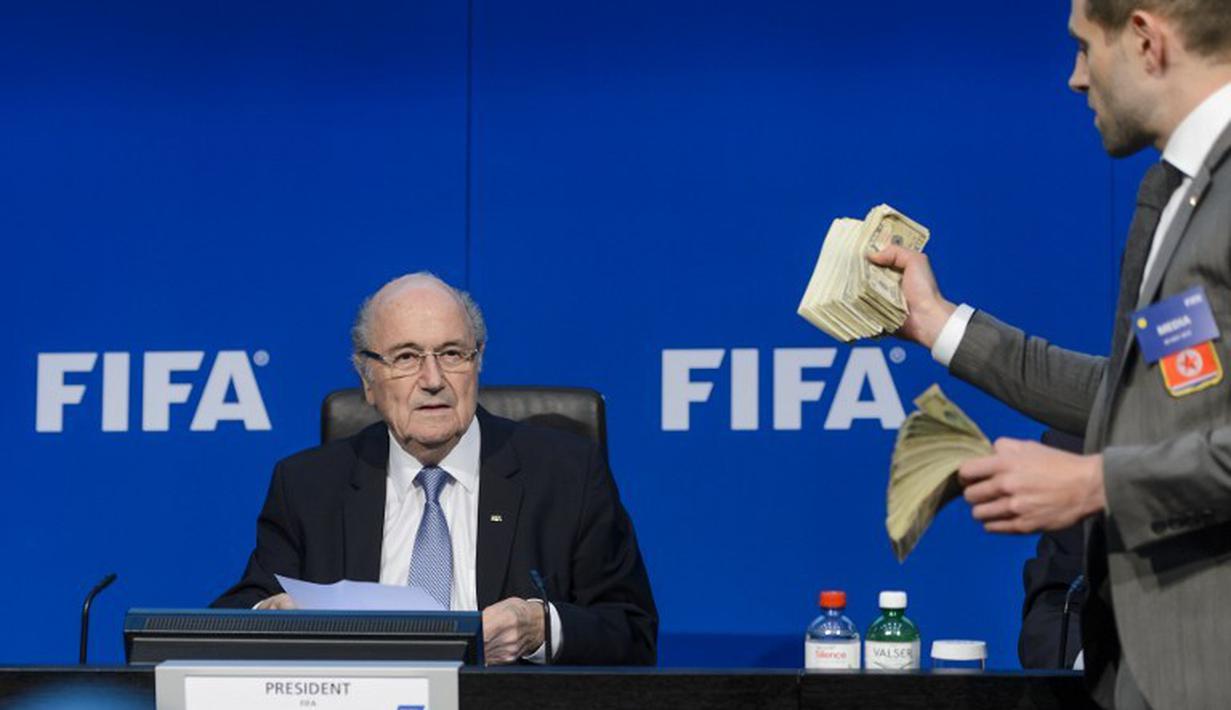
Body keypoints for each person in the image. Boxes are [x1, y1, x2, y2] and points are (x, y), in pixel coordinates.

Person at [870, 1, 1231, 707]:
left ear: (1144, 39)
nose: (1075, 77)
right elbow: (1135, 396)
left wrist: (1097, 483)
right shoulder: (1180, 193)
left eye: (1083, 47)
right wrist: (937, 323)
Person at [213, 273, 658, 666]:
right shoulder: (308, 486)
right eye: (406, 357)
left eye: (451, 353)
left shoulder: (567, 474)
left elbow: (632, 633)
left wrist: (541, 628)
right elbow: (237, 612)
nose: (432, 379)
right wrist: (272, 616)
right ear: (368, 380)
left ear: (477, 362)